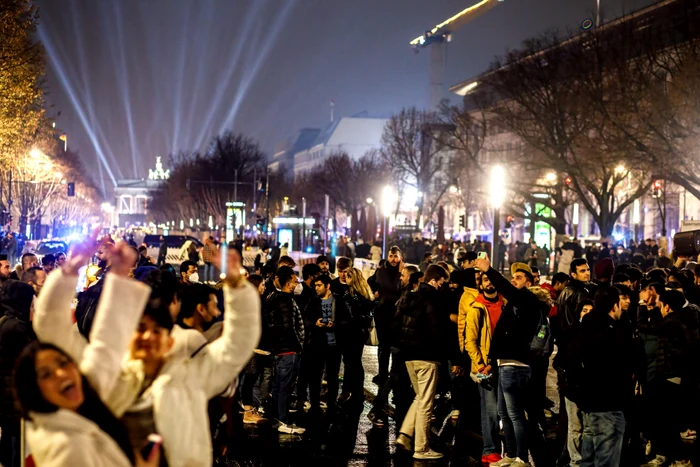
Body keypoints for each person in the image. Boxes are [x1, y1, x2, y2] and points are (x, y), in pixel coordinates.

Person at [35, 243, 261, 466]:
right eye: (141, 329)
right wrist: (69, 271)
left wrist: (237, 284)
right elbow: (51, 330)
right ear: (128, 335)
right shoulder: (109, 375)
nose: (148, 337)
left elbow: (236, 345)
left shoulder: (191, 377)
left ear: (169, 340)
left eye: (157, 331)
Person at [21, 236, 158, 467]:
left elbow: (105, 347)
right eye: (46, 374)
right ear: (34, 391)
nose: (62, 374)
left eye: (63, 364)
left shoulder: (87, 399)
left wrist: (117, 277)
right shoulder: (64, 448)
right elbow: (48, 324)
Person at [475, 255, 549, 467]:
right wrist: (491, 361)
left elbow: (506, 289)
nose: (514, 280)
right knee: (504, 414)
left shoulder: (528, 301)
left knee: (515, 414)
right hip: (503, 363)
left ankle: (521, 457)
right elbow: (500, 335)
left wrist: (489, 270)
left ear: (529, 282)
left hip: (517, 365)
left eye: (518, 277)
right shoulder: (514, 305)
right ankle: (509, 454)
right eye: (513, 276)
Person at [568, 287, 633, 467]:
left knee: (588, 459)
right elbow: (621, 368)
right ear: (614, 306)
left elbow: (570, 361)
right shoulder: (611, 332)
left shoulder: (584, 327)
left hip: (589, 405)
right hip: (609, 404)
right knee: (606, 460)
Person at [394, 265, 450, 460]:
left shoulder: (409, 296)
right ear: (434, 280)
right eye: (442, 283)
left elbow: (397, 324)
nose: (443, 286)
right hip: (427, 356)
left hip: (408, 356)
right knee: (426, 402)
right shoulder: (434, 299)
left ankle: (405, 434)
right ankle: (421, 448)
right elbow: (437, 331)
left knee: (419, 398)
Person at [463, 271, 505, 465]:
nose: (489, 283)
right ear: (480, 285)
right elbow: (469, 341)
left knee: (503, 411)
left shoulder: (504, 304)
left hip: (502, 364)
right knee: (490, 411)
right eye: (485, 280)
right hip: (486, 367)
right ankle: (490, 450)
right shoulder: (476, 308)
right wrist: (481, 365)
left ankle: (499, 450)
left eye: (491, 279)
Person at [0, 280, 36, 467]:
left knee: (8, 438)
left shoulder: (7, 321)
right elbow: (33, 357)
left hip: (6, 394)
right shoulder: (17, 328)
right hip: (13, 396)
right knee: (16, 445)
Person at [266, 266, 305, 434]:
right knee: (284, 386)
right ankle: (283, 420)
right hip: (288, 350)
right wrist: (298, 347)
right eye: (295, 280)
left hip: (281, 348)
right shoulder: (286, 300)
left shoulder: (274, 298)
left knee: (278, 386)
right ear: (288, 283)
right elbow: (289, 327)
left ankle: (278, 417)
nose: (297, 283)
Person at [304, 275, 348, 411]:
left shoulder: (339, 301)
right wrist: (314, 323)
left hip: (334, 346)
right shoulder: (313, 301)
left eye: (319, 285)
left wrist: (335, 324)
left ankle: (331, 404)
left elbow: (347, 320)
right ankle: (315, 404)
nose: (316, 288)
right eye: (315, 285)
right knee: (315, 377)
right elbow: (305, 319)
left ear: (327, 286)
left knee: (333, 377)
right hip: (317, 344)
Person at [339, 268, 375, 405]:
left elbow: (350, 316)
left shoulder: (350, 295)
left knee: (352, 363)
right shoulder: (366, 294)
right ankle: (352, 391)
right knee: (354, 363)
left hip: (350, 333)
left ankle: (355, 392)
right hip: (360, 333)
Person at [372, 246, 403, 385]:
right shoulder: (381, 270)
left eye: (396, 256)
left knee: (396, 347)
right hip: (382, 313)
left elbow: (397, 288)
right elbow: (370, 282)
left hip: (397, 315)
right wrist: (375, 292)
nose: (393, 259)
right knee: (383, 347)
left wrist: (401, 272)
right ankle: (383, 374)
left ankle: (395, 375)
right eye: (391, 256)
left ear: (400, 257)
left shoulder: (403, 272)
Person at [557, 258, 593, 335]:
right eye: (582, 271)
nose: (587, 273)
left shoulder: (565, 290)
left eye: (588, 270)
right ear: (574, 275)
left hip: (564, 335)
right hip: (575, 336)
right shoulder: (579, 292)